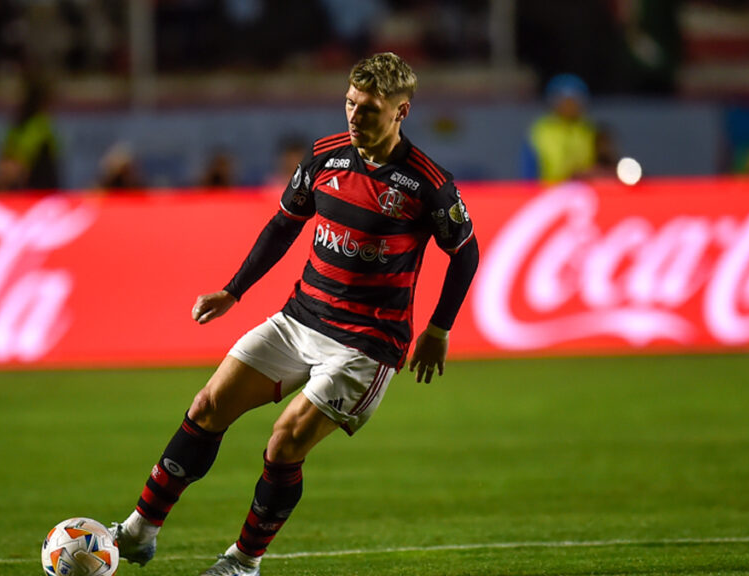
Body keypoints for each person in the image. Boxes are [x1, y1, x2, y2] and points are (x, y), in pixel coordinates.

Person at [110, 52, 479, 576]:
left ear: (402, 112)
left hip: (366, 345)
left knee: (283, 443)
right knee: (208, 404)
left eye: (370, 109)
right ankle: (140, 530)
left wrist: (439, 328)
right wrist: (233, 291)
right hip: (299, 319)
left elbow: (465, 252)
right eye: (350, 104)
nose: (355, 117)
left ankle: (242, 562)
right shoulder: (325, 158)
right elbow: (283, 224)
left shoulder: (426, 185)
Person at [520, 73, 597, 184]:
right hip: (549, 194)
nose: (569, 105)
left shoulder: (591, 130)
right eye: (564, 100)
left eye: (574, 99)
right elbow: (529, 172)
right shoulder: (541, 131)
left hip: (586, 193)